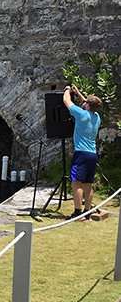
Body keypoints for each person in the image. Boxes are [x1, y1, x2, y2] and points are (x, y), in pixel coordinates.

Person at [63, 84, 102, 219]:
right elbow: (88, 103)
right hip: (92, 154)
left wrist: (67, 90)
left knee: (76, 182)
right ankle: (87, 213)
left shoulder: (81, 114)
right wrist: (78, 93)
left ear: (87, 106)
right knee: (87, 184)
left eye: (85, 102)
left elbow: (66, 101)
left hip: (81, 153)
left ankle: (78, 212)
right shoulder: (96, 117)